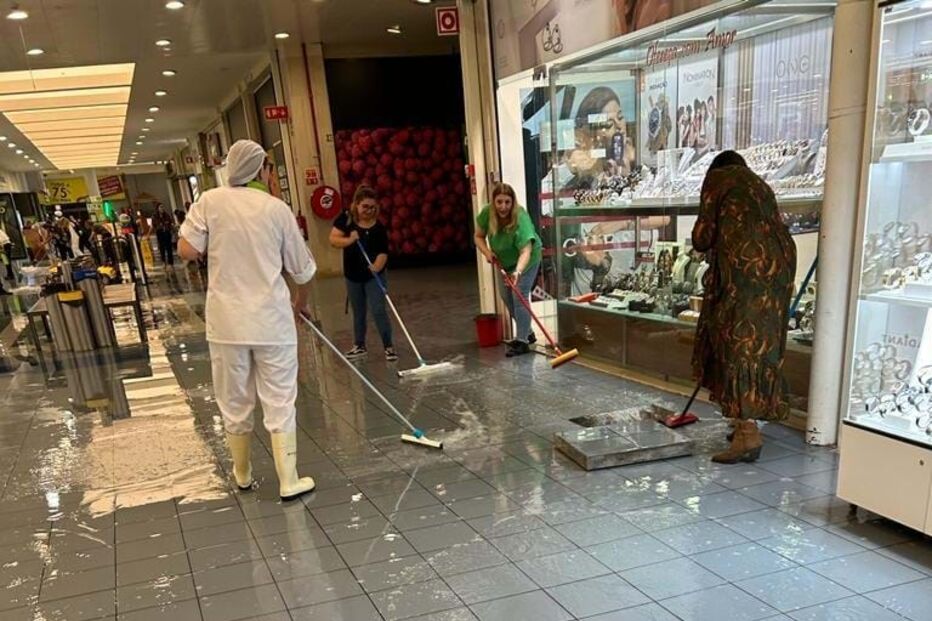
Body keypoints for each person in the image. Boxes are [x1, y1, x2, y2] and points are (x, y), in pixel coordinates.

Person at [178, 139, 318, 500]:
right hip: (272, 322)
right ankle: (289, 481)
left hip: (226, 324)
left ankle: (242, 474)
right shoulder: (276, 209)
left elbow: (186, 249)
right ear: (262, 170)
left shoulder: (209, 201)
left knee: (233, 400)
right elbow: (302, 271)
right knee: (279, 399)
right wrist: (300, 304)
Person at [691, 150, 796, 464]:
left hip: (745, 267)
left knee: (736, 343)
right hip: (779, 266)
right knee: (761, 343)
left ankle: (746, 433)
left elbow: (702, 236)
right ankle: (746, 420)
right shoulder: (758, 184)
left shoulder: (717, 179)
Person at [329, 185, 396, 361]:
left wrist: (377, 266)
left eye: (373, 207)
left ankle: (389, 346)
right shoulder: (346, 219)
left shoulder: (378, 228)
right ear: (357, 204)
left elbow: (383, 252)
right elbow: (333, 239)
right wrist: (350, 239)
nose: (369, 210)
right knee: (358, 311)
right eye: (365, 206)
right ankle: (359, 345)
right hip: (353, 275)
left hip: (374, 276)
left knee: (378, 309)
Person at [475, 182, 543, 357]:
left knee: (519, 294)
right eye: (499, 202)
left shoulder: (521, 218)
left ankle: (522, 342)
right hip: (504, 262)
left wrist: (518, 272)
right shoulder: (487, 213)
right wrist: (487, 252)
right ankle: (527, 332)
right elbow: (478, 236)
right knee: (506, 296)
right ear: (493, 201)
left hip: (526, 261)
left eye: (507, 202)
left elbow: (526, 250)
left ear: (513, 202)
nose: (503, 206)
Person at [0, 226, 11, 295]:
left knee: (6, 261)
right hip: (5, 244)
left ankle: (10, 273)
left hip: (5, 244)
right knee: (6, 261)